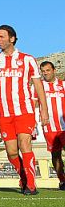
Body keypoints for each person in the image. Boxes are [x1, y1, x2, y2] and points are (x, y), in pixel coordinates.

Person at [0, 25, 49, 195]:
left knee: (24, 144)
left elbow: (38, 85)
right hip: (4, 113)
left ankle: (31, 185)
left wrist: (44, 110)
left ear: (12, 38)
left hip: (25, 111)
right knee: (11, 151)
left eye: (2, 37)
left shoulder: (28, 59)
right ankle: (24, 177)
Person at [36, 61, 65, 190]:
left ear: (54, 70)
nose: (45, 73)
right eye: (43, 71)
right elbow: (34, 105)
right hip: (49, 127)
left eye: (47, 70)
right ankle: (62, 180)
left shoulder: (63, 85)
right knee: (55, 155)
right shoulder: (38, 87)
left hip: (64, 126)